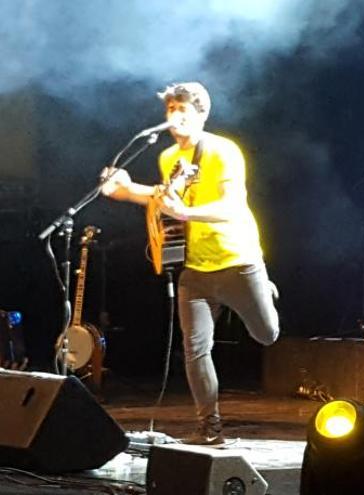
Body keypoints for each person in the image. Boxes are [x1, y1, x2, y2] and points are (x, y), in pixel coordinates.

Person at [100, 82, 280, 445]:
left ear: (201, 114)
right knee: (195, 348)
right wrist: (125, 190)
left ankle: (265, 290)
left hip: (236, 260)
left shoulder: (222, 151)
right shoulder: (168, 157)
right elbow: (164, 199)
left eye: (183, 110)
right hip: (194, 270)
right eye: (170, 111)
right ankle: (209, 426)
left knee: (267, 335)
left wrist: (188, 212)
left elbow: (231, 205)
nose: (175, 117)